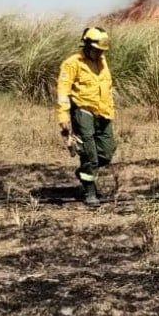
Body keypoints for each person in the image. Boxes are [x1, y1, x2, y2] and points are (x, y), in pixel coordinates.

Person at [56, 27, 115, 207]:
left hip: (103, 112)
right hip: (83, 112)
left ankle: (84, 172)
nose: (99, 53)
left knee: (106, 152)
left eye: (102, 51)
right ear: (87, 45)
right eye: (96, 50)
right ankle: (89, 192)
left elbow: (106, 86)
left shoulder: (102, 61)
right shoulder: (72, 63)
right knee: (90, 154)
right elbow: (63, 91)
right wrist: (63, 115)